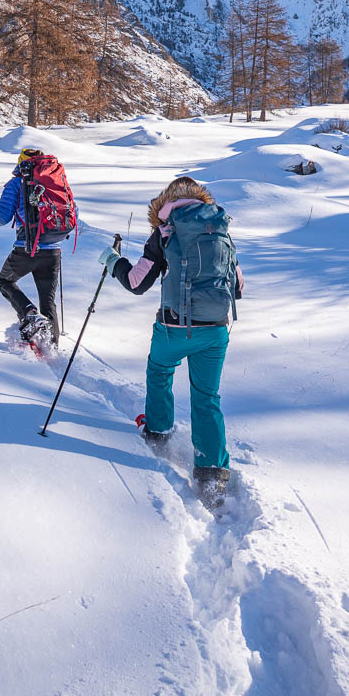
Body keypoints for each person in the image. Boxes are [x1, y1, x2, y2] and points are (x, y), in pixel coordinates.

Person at [98, 176, 243, 507]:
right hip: (217, 330)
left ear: (166, 201)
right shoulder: (220, 229)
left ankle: (158, 431)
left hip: (174, 327)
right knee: (206, 397)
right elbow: (237, 287)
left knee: (160, 370)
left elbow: (137, 283)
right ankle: (211, 474)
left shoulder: (165, 231)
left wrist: (112, 261)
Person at [0, 148, 76, 345]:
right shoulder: (57, 181)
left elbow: (3, 217)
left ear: (20, 162)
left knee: (5, 281)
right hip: (53, 249)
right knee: (48, 300)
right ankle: (52, 346)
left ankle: (30, 314)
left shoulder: (16, 184)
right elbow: (74, 212)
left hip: (27, 248)